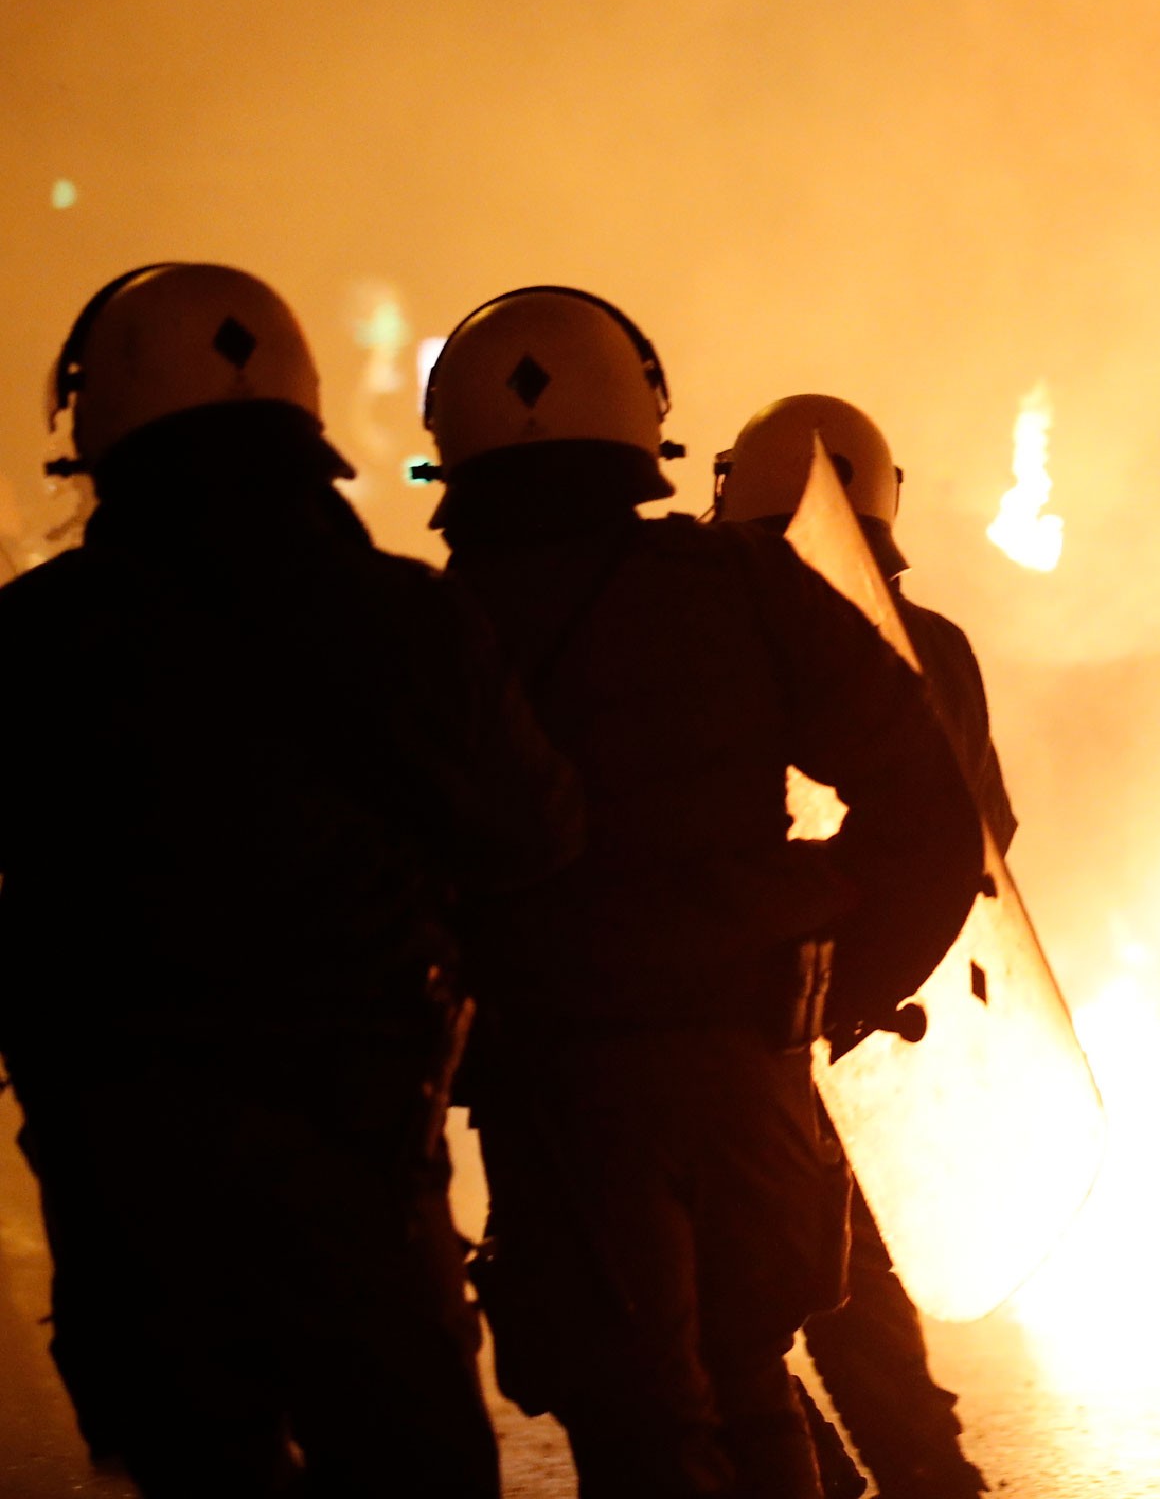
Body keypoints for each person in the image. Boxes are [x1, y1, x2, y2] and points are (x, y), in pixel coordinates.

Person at [0, 264, 580, 1497]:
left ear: (98, 426)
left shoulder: (34, 638)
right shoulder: (409, 618)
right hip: (361, 1152)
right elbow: (530, 834)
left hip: (127, 1179)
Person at [422, 287, 983, 1498]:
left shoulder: (426, 625)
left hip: (559, 1084)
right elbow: (932, 810)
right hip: (746, 1070)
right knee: (745, 1377)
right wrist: (834, 975)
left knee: (643, 1427)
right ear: (645, 419)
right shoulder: (738, 589)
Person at [712, 393, 1012, 1499]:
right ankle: (923, 1477)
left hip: (751, 1006)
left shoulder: (699, 633)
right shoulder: (932, 647)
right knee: (843, 1265)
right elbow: (981, 828)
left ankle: (847, 1480)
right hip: (873, 1006)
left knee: (706, 1304)